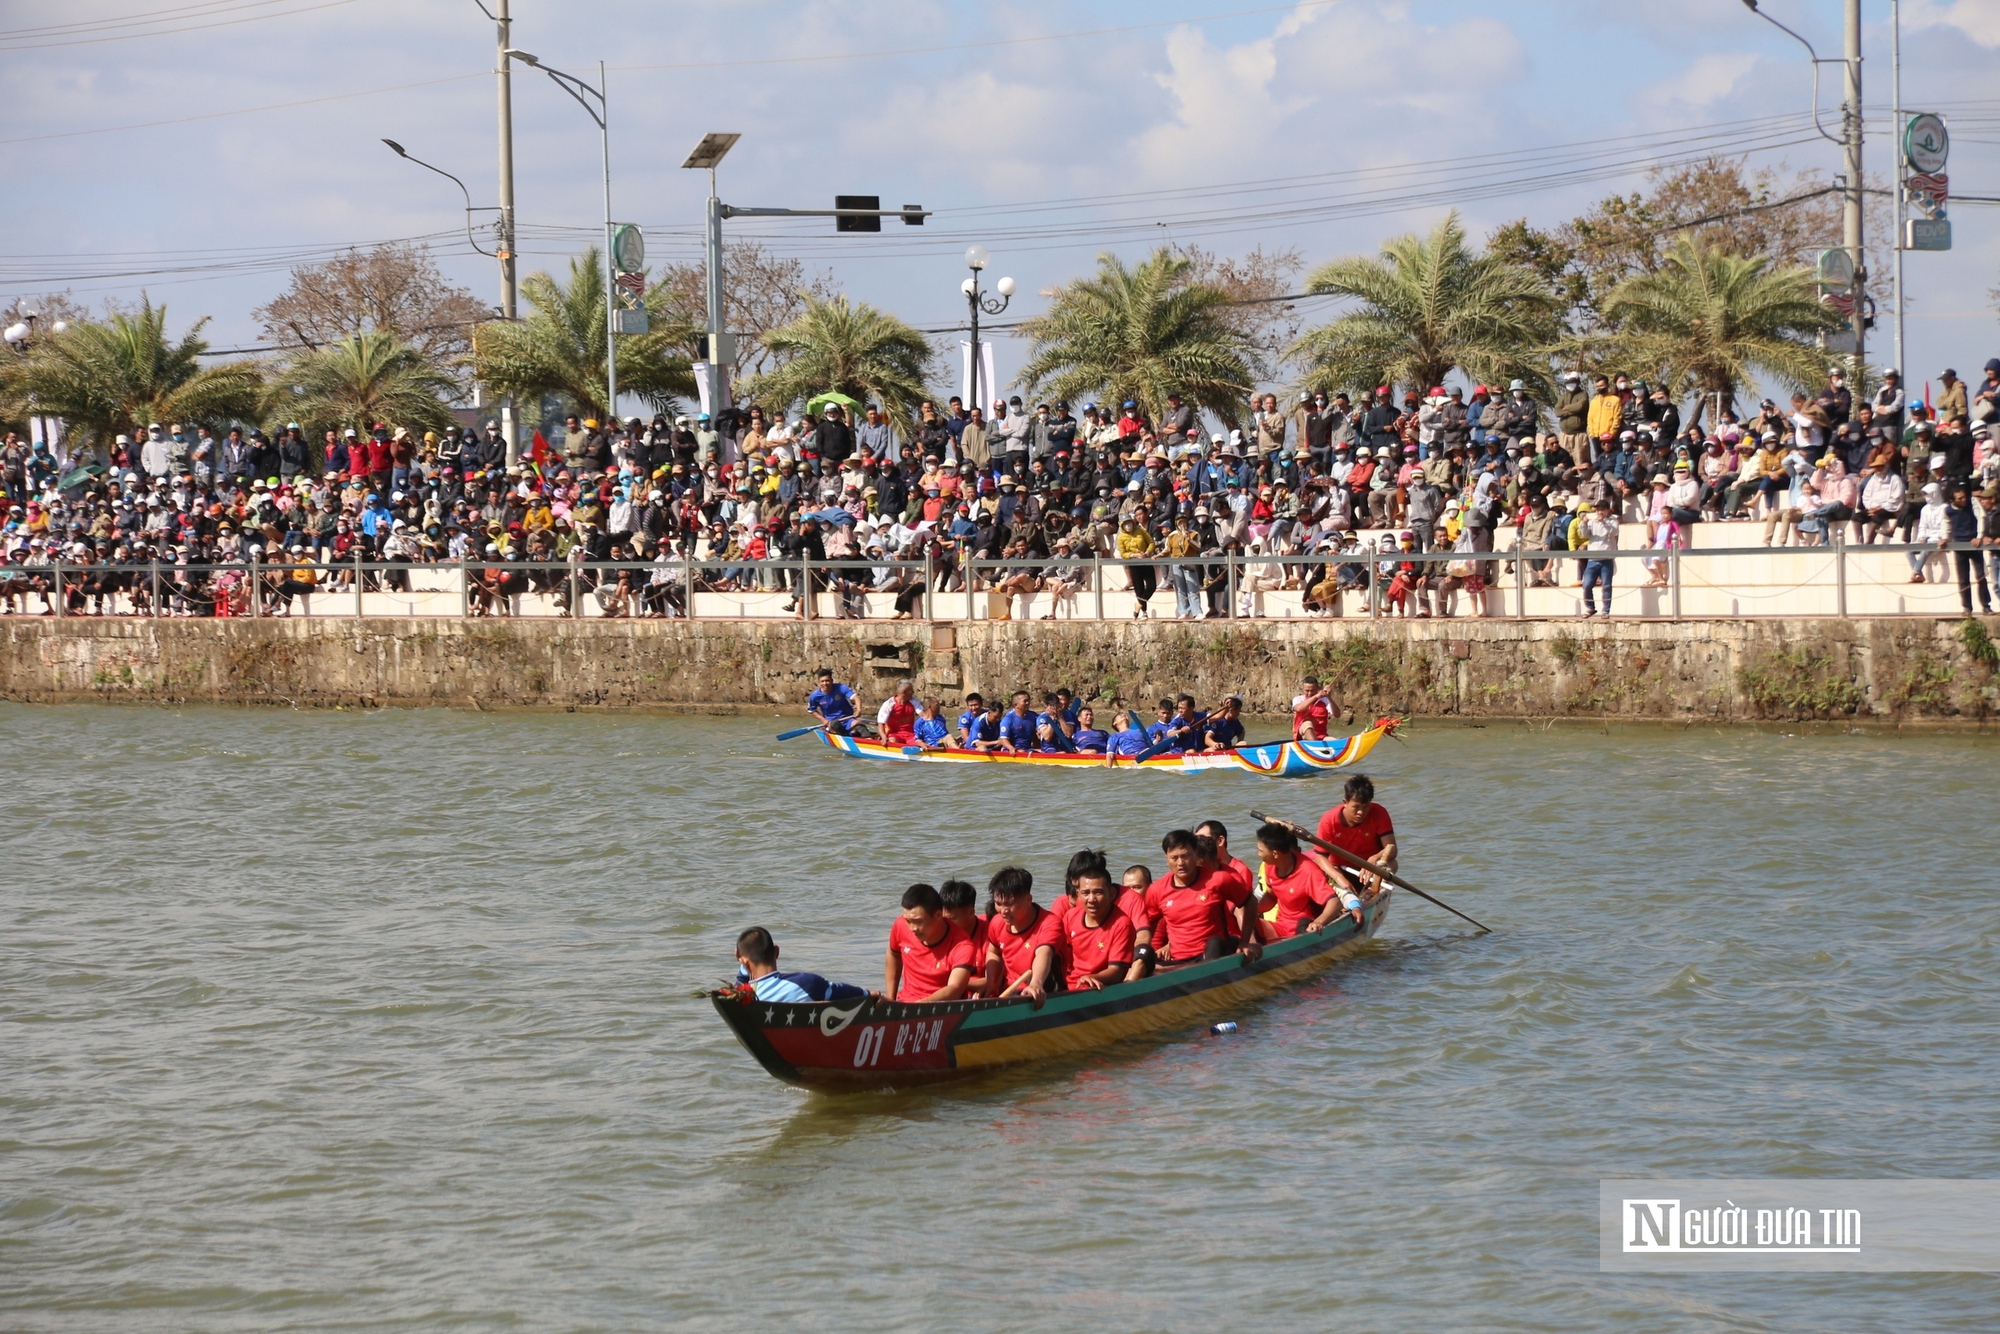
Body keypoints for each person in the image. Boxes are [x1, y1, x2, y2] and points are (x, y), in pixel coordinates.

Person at [1144, 829, 1259, 965]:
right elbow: (1147, 927)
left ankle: (1210, 976)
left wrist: (1246, 941)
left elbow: (1250, 902)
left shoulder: (1219, 880)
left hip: (1213, 953)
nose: (1180, 863)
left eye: (1185, 856)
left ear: (1195, 854)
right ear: (1167, 859)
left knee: (1214, 943)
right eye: (1174, 858)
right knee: (1142, 957)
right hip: (1178, 959)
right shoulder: (1156, 890)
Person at [1251, 825, 1362, 940]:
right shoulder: (1270, 866)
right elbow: (1271, 897)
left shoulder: (1309, 871)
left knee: (1303, 924)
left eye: (1260, 851)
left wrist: (1319, 922)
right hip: (1280, 927)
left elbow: (1335, 902)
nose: (1258, 854)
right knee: (1244, 919)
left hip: (1304, 928)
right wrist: (1249, 910)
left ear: (1275, 854)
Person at [884, 883, 978, 1002]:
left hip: (940, 1010)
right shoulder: (900, 925)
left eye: (918, 922)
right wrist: (890, 1000)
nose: (912, 928)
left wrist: (922, 1004)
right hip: (905, 1004)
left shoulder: (963, 946)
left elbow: (955, 989)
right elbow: (893, 954)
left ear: (938, 915)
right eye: (908, 921)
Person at [986, 867, 1067, 1004]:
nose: (1003, 911)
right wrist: (990, 983)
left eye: (1010, 904)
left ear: (1028, 899)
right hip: (1010, 990)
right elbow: (993, 952)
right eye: (999, 904)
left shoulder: (1050, 923)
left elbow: (1044, 954)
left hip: (1044, 987)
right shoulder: (997, 922)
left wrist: (1036, 983)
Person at [734, 926, 867, 1002]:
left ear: (743, 961)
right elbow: (840, 992)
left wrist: (744, 964)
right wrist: (867, 993)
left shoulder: (741, 998)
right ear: (776, 952)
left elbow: (739, 984)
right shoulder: (805, 984)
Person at [1316, 773, 1397, 898]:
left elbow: (1391, 848)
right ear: (1345, 802)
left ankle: (1372, 892)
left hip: (1371, 870)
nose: (1361, 812)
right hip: (1341, 869)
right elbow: (1320, 857)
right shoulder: (1329, 820)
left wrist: (1373, 859)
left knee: (1392, 864)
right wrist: (1339, 878)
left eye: (1366, 807)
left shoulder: (1379, 812)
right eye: (1356, 807)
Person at [1063, 863, 1137, 991]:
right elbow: (1062, 959)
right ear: (1078, 894)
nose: (1091, 899)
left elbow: (1116, 972)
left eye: (1098, 892)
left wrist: (1091, 977)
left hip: (1098, 987)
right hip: (1070, 985)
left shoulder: (1122, 924)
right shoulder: (1070, 916)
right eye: (1085, 893)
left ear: (1112, 894)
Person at [938, 879, 1000, 998]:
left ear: (971, 912)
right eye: (943, 919)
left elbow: (993, 981)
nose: (946, 924)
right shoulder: (941, 933)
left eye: (952, 919)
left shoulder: (990, 933)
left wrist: (956, 986)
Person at [807, 666, 859, 735]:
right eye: (822, 681)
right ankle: (846, 736)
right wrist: (824, 720)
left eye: (827, 681)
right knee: (835, 725)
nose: (825, 683)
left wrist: (858, 710)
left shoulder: (841, 688)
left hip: (848, 719)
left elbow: (856, 697)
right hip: (832, 723)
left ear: (831, 680)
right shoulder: (815, 696)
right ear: (819, 682)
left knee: (859, 726)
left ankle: (868, 739)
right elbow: (811, 710)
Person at [876, 677, 919, 745]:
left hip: (910, 734)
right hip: (894, 734)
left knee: (919, 743)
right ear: (904, 692)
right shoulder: (889, 704)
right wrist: (883, 737)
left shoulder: (914, 701)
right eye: (911, 690)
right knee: (892, 741)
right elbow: (881, 723)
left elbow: (924, 715)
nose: (913, 692)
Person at [1292, 676, 1336, 740]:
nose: (1309, 693)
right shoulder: (1298, 699)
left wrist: (1329, 697)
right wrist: (1316, 696)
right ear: (1303, 689)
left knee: (1333, 740)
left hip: (1321, 736)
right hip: (1302, 732)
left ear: (1317, 688)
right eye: (1307, 691)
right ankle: (1315, 744)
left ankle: (1316, 743)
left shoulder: (1324, 700)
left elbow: (1337, 714)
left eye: (1312, 690)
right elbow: (1299, 708)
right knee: (1307, 724)